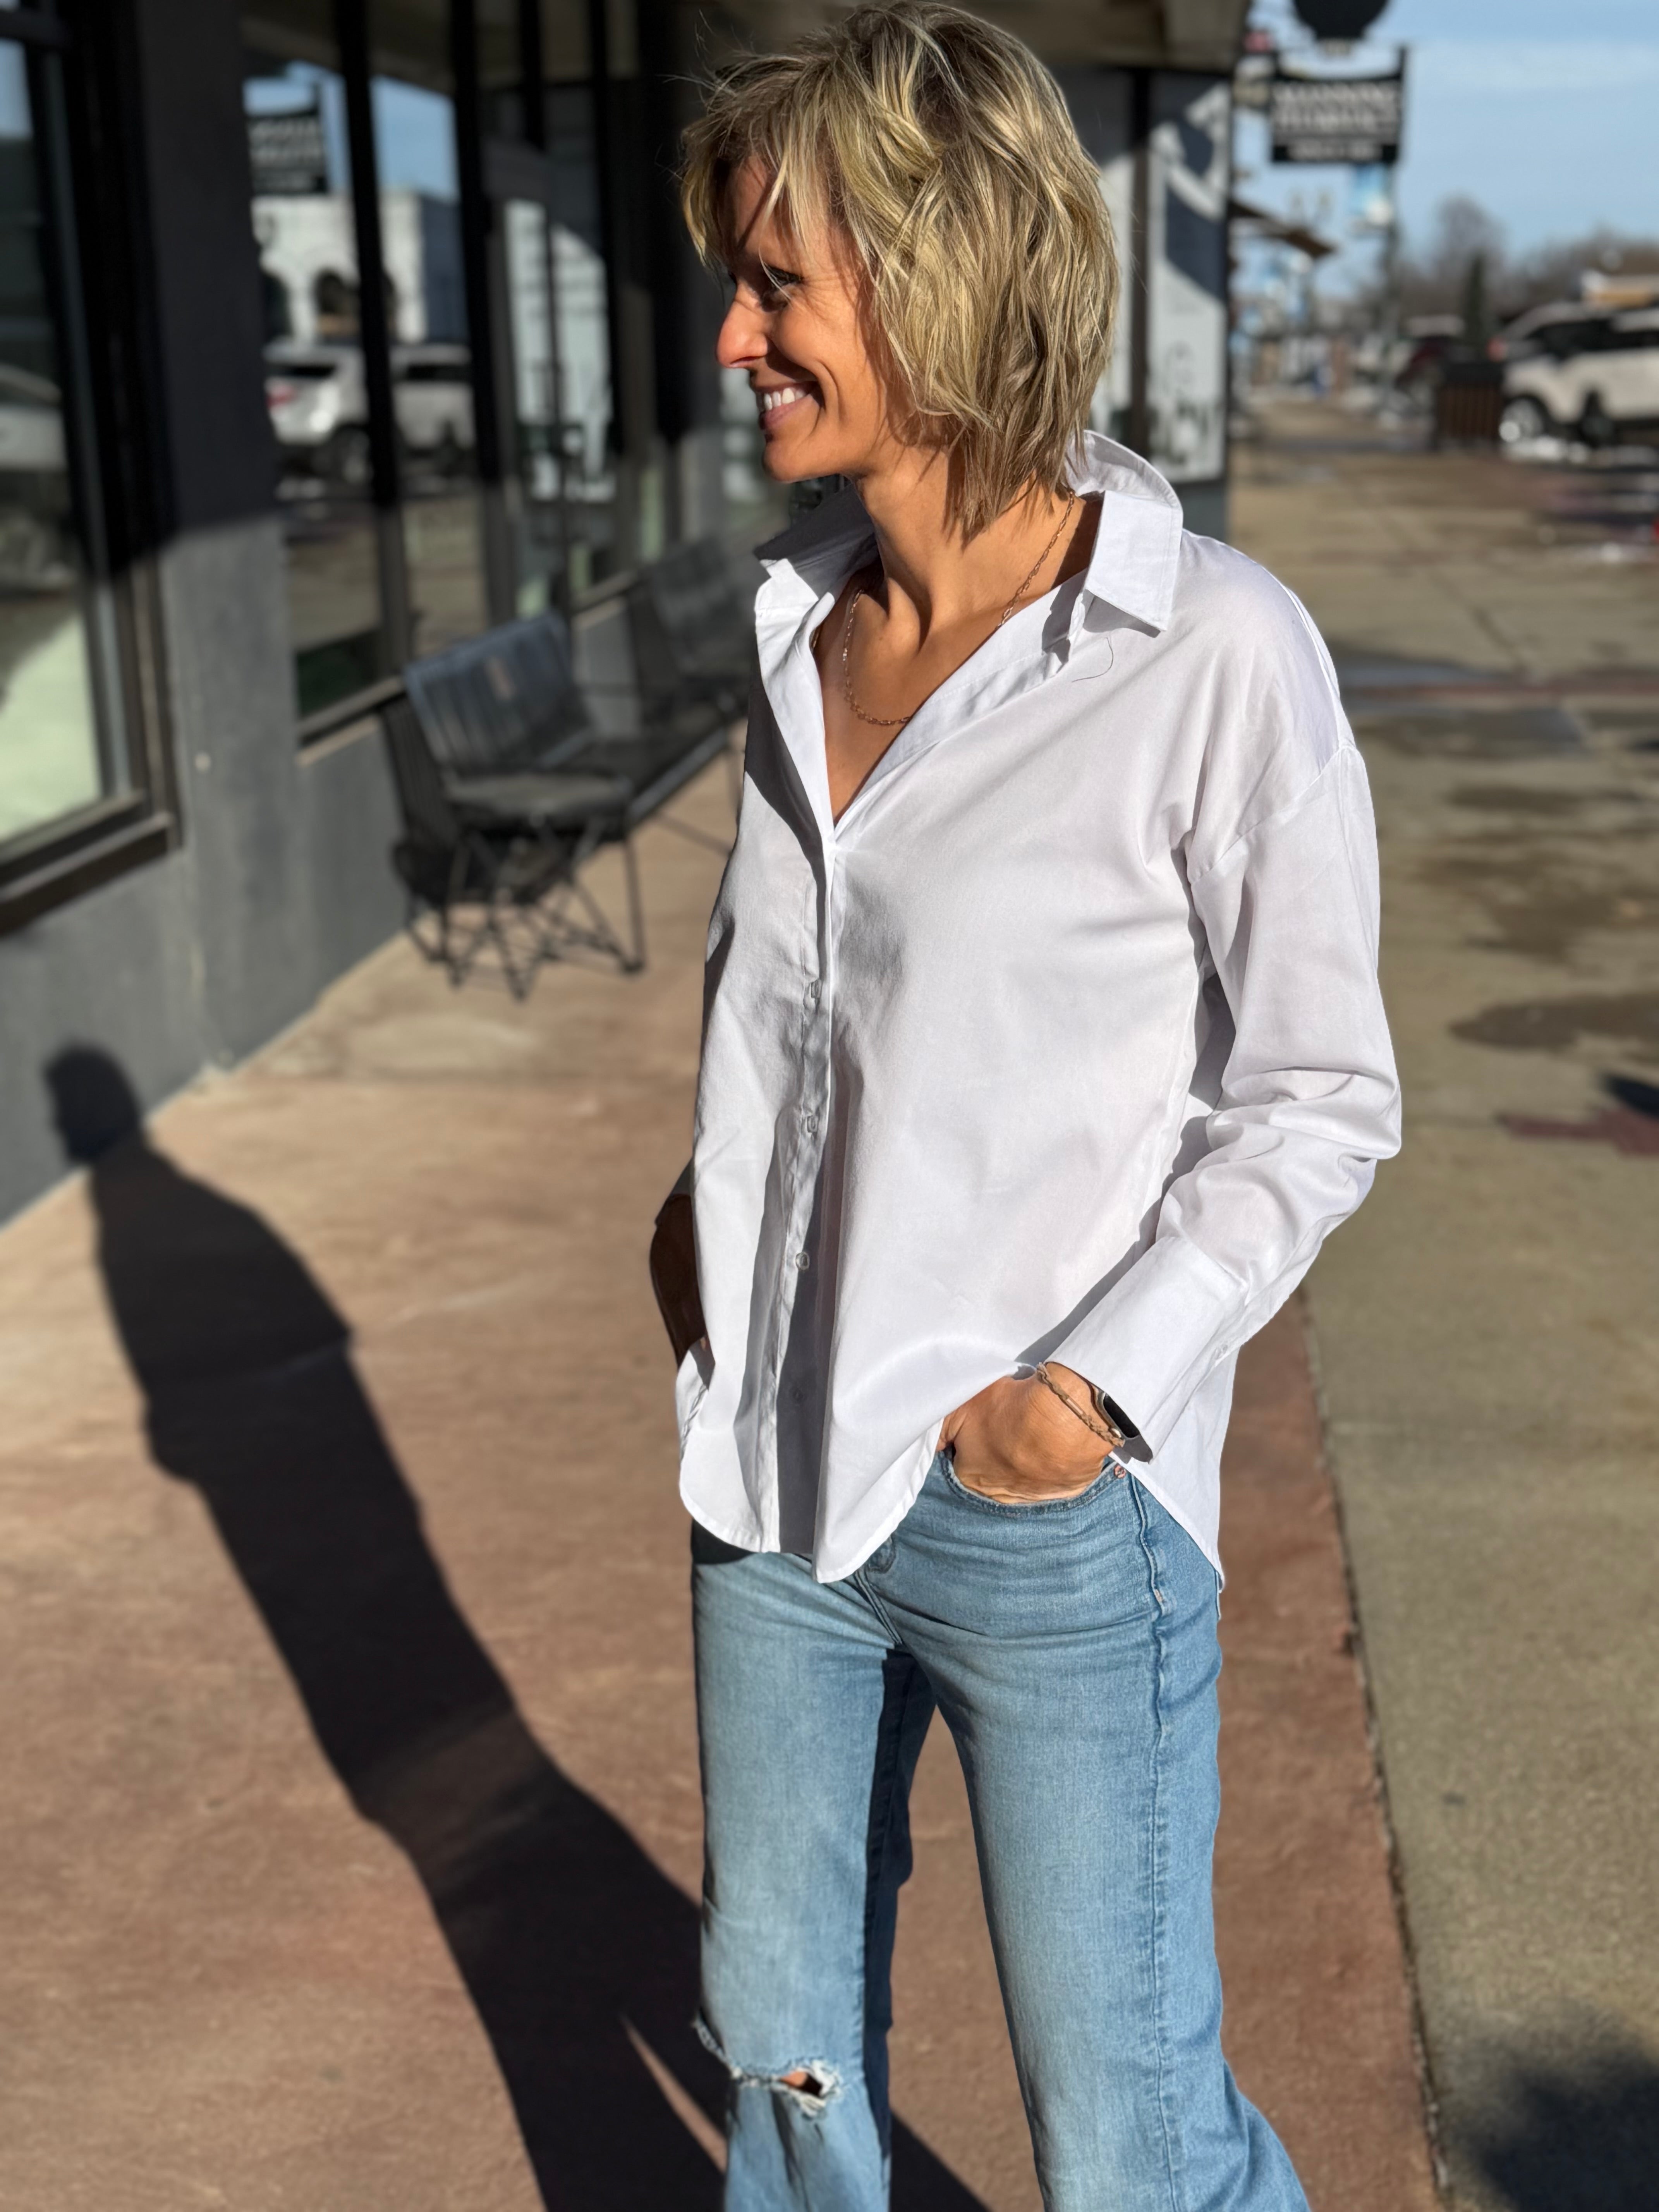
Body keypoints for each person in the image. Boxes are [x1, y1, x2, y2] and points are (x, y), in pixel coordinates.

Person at [651, 8, 1400, 2207]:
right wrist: (702, 1219)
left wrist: (1084, 1398)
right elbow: (807, 1000)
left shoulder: (1210, 654)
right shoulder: (796, 630)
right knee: (782, 2071)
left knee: (1129, 2142)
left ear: (938, 276)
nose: (735, 340)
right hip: (771, 1482)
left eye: (778, 287)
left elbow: (1319, 1098)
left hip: (1046, 1513)